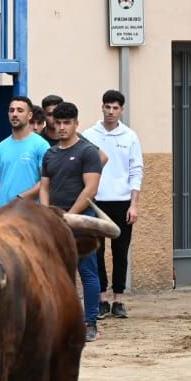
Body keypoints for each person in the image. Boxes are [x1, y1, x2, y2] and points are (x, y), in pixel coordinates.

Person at [40, 102, 106, 342]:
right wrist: (49, 214)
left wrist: (70, 217)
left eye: (67, 123)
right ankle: (63, 323)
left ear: (76, 123)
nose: (62, 128)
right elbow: (45, 187)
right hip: (56, 221)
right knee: (57, 274)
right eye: (58, 123)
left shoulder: (88, 151)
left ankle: (90, 324)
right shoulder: (50, 153)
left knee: (87, 273)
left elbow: (91, 188)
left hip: (82, 221)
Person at [84, 89, 144, 320]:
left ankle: (118, 299)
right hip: (97, 202)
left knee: (120, 252)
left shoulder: (130, 136)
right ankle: (101, 299)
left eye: (115, 108)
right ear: (102, 107)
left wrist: (134, 204)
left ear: (122, 110)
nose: (111, 112)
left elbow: (136, 170)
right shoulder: (90, 134)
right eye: (107, 107)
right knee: (96, 252)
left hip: (121, 203)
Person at [0, 95, 50, 213]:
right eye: (11, 110)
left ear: (29, 115)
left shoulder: (41, 145)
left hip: (30, 216)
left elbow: (45, 181)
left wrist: (22, 197)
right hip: (3, 216)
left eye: (20, 110)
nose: (14, 114)